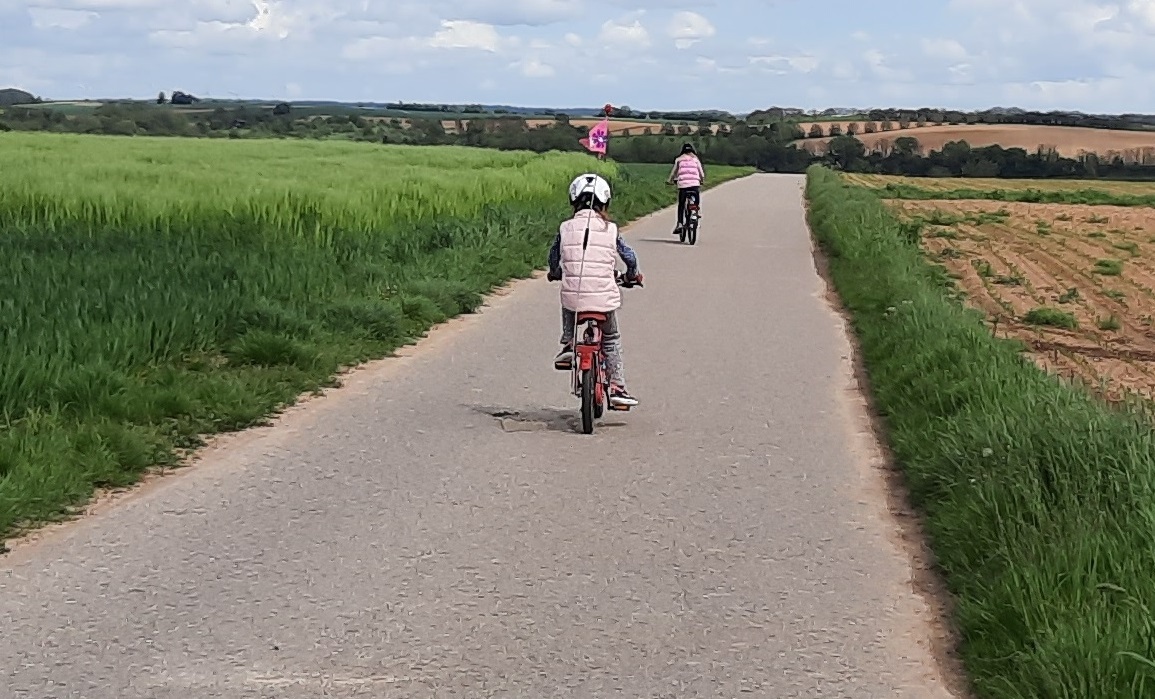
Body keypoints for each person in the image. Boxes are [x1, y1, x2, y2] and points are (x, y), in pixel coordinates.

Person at [547, 173, 642, 408]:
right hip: (603, 298)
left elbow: (553, 255)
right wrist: (632, 273)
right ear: (605, 202)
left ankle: (568, 343)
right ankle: (618, 387)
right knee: (610, 338)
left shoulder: (565, 227)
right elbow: (629, 256)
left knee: (570, 295)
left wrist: (555, 271)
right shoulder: (610, 229)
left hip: (574, 299)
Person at [667, 142, 705, 235]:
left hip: (683, 185)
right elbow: (701, 172)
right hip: (695, 184)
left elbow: (673, 173)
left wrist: (670, 180)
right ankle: (696, 212)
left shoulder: (679, 159)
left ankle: (680, 223)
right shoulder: (695, 159)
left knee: (681, 204)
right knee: (696, 198)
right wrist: (702, 180)